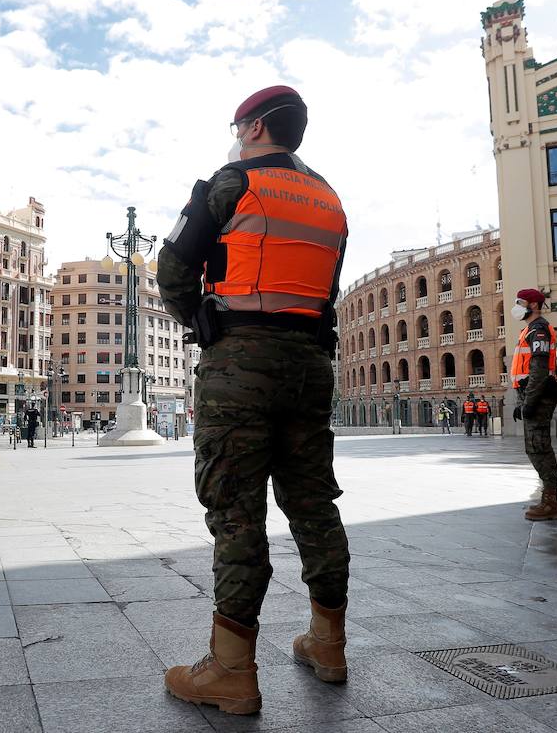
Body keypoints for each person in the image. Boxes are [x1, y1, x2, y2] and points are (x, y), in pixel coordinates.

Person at [156, 85, 350, 715]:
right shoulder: (329, 197)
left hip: (239, 360)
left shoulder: (229, 183)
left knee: (237, 508)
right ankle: (328, 644)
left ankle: (232, 671)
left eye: (239, 124)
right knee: (313, 500)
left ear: (258, 126)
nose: (236, 133)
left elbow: (174, 269)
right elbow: (328, 287)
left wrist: (202, 325)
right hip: (309, 364)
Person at [510, 288, 557, 520]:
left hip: (539, 396)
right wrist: (522, 400)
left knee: (539, 447)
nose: (516, 306)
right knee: (535, 446)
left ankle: (551, 502)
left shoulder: (538, 329)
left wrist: (529, 401)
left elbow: (539, 370)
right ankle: (548, 499)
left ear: (532, 304)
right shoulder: (530, 329)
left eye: (520, 302)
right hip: (533, 394)